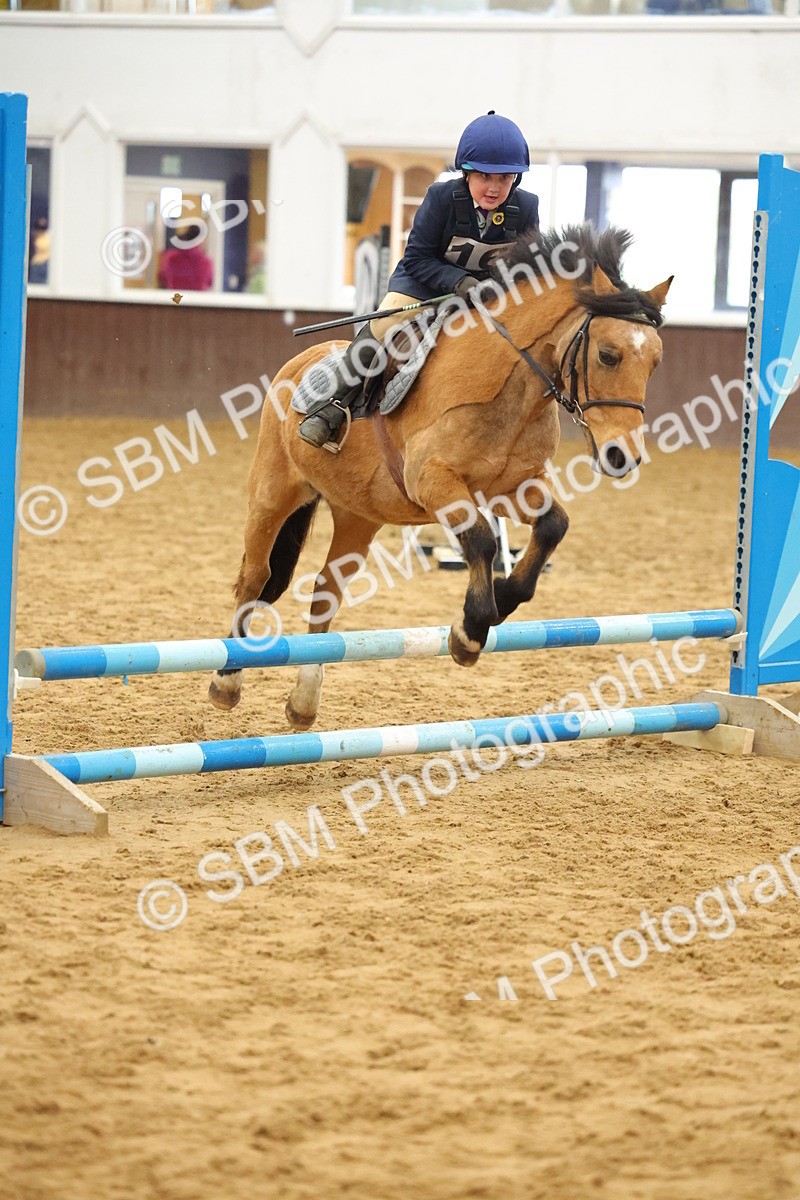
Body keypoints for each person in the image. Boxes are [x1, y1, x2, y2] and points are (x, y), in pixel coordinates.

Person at [298, 111, 539, 451]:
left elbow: (526, 266)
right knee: (385, 325)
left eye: (505, 177)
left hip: (485, 296)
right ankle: (330, 407)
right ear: (466, 172)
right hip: (422, 284)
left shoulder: (526, 206)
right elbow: (417, 258)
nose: (495, 187)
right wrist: (458, 282)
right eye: (485, 176)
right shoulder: (441, 199)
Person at [157, 223, 214, 292]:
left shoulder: (170, 257)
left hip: (175, 299)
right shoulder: (205, 262)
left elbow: (162, 278)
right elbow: (209, 282)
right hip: (197, 300)